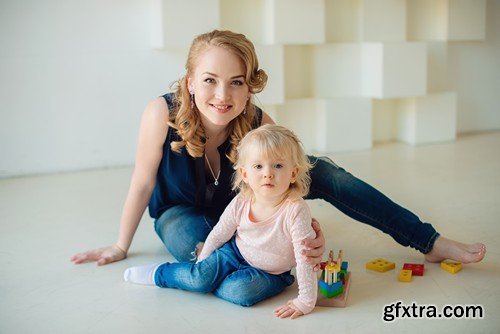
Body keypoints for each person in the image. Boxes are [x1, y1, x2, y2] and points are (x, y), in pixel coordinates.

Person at [71, 29, 485, 295]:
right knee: (203, 256)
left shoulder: (257, 122)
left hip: (247, 206)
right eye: (210, 81)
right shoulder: (160, 113)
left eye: (236, 82)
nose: (222, 95)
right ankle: (269, 269)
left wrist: (303, 225)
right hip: (180, 213)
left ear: (249, 87)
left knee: (321, 169)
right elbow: (143, 183)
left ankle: (428, 241)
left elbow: (291, 182)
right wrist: (121, 244)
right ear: (190, 83)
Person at [124, 124, 318, 319]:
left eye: (278, 165)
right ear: (245, 174)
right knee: (199, 277)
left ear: (293, 173)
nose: (267, 173)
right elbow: (220, 232)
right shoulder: (242, 200)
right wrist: (203, 263)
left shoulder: (295, 210)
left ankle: (206, 282)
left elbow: (304, 259)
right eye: (258, 166)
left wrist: (305, 301)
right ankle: (160, 274)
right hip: (233, 253)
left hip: (270, 273)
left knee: (240, 292)